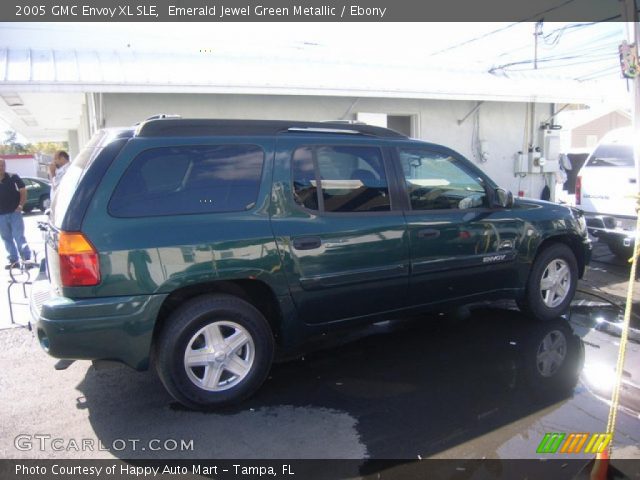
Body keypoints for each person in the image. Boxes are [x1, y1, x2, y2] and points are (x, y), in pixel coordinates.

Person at [0, 159, 32, 269]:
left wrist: (20, 205)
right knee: (6, 238)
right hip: (1, 216)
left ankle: (26, 259)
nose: (1, 167)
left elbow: (23, 191)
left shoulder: (13, 177)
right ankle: (14, 261)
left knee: (19, 236)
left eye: (3, 165)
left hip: (15, 213)